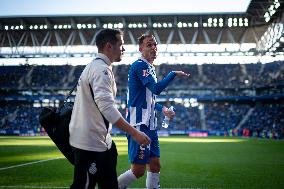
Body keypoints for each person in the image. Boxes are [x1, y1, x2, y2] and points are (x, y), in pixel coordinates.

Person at [69, 29, 151, 189]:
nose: (124, 49)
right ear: (109, 46)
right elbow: (106, 107)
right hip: (89, 144)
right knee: (83, 185)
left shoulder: (96, 66)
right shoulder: (101, 70)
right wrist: (134, 133)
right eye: (121, 44)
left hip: (101, 142)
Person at [118, 34, 189, 189]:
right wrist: (173, 74)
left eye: (155, 45)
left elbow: (150, 99)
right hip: (139, 124)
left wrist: (162, 109)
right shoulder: (140, 65)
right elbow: (156, 89)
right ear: (140, 48)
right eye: (149, 45)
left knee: (155, 165)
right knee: (138, 171)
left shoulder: (150, 68)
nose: (153, 48)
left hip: (150, 125)